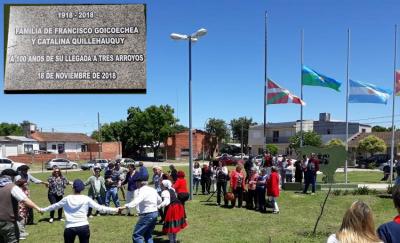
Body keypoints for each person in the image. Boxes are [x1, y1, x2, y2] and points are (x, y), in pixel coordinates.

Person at [40, 179, 118, 243]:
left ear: (73, 187)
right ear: (82, 189)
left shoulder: (67, 198)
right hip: (83, 227)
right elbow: (100, 208)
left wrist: (42, 209)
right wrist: (116, 209)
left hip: (70, 228)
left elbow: (54, 206)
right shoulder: (86, 198)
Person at [0, 169, 42, 243]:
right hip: (8, 222)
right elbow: (24, 200)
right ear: (12, 177)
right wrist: (37, 208)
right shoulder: (12, 187)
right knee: (12, 240)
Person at [121, 177, 161, 243]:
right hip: (155, 213)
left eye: (136, 182)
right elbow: (159, 200)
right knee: (148, 234)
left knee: (137, 235)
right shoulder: (152, 189)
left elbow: (136, 201)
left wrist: (125, 206)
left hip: (147, 214)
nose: (136, 184)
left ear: (139, 183)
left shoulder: (142, 191)